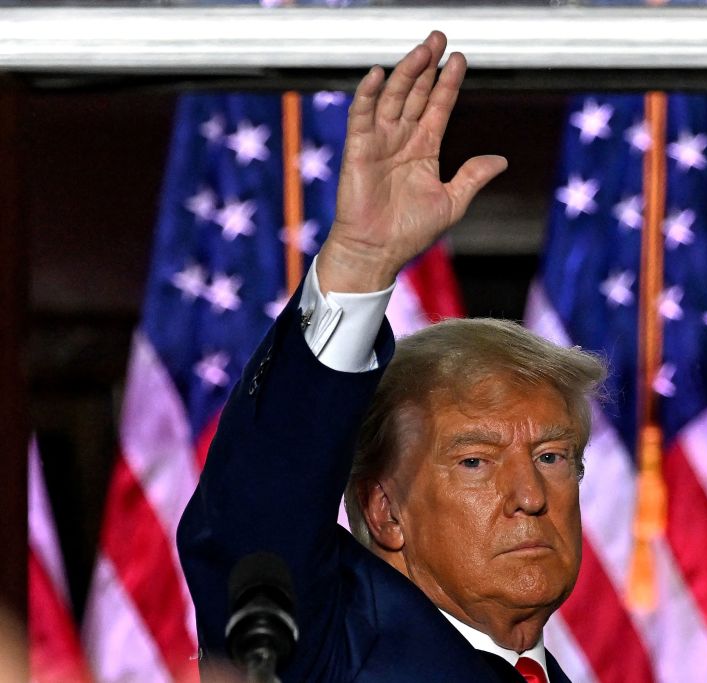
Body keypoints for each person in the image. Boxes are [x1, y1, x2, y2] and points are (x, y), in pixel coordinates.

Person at [177, 31, 605, 683]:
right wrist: (359, 262)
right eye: (474, 460)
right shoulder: (334, 648)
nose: (529, 497)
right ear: (384, 510)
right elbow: (253, 524)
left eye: (551, 456)